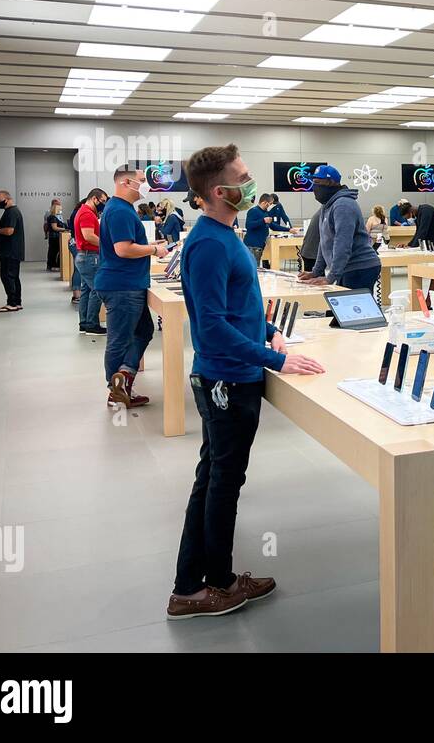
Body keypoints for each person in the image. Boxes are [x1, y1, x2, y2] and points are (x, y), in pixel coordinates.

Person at [167, 143, 325, 620]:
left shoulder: (224, 234)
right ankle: (212, 585)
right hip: (227, 382)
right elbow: (212, 326)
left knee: (214, 477)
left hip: (236, 374)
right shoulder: (211, 244)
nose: (252, 182)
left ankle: (194, 583)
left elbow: (240, 308)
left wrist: (272, 333)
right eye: (244, 176)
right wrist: (272, 360)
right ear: (221, 191)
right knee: (222, 483)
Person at [95, 166, 167, 408]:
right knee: (120, 339)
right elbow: (123, 249)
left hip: (128, 284)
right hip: (122, 286)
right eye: (141, 180)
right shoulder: (120, 211)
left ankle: (123, 377)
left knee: (144, 330)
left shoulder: (122, 210)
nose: (146, 184)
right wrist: (153, 249)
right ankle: (115, 390)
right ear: (126, 182)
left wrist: (148, 245)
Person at [300, 165, 381, 293]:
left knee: (356, 310)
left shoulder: (343, 205)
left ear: (331, 182)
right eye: (313, 182)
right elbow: (324, 241)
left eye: (317, 183)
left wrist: (331, 277)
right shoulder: (327, 206)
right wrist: (316, 272)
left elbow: (342, 243)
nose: (314, 187)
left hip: (360, 267)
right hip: (347, 268)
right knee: (345, 310)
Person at [73, 188, 108, 336]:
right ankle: (92, 324)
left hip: (85, 256)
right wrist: (107, 245)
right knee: (97, 289)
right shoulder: (87, 213)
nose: (104, 205)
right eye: (103, 201)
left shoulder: (84, 211)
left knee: (87, 290)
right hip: (90, 256)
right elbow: (89, 236)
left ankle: (85, 323)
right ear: (95, 199)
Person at [0, 190, 25, 312]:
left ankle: (12, 302)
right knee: (14, 277)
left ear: (8, 199)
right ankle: (17, 302)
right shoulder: (12, 212)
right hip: (13, 250)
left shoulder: (11, 212)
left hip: (10, 251)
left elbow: (9, 231)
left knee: (7, 276)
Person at [243, 192, 278, 266]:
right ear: (264, 202)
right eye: (269, 204)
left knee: (256, 268)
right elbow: (248, 225)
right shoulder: (253, 211)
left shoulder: (265, 213)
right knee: (253, 268)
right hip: (252, 246)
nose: (270, 206)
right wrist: (263, 221)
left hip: (259, 246)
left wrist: (289, 229)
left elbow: (273, 226)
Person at [44, 198, 69, 271]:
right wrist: (65, 229)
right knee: (53, 251)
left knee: (55, 251)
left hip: (58, 236)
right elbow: (54, 227)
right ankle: (52, 265)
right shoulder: (52, 216)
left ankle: (56, 265)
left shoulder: (58, 215)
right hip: (54, 237)